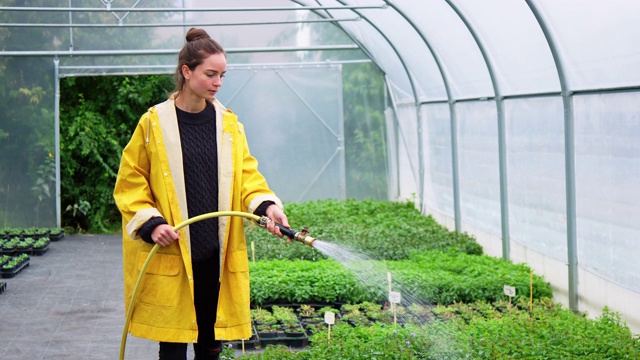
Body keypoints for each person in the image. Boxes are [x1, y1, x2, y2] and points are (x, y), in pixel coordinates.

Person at [113, 27, 290, 360]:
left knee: (210, 344)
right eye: (210, 74)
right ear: (186, 71)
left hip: (215, 253)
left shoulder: (229, 125)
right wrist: (152, 223)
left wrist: (267, 207)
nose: (218, 82)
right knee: (174, 343)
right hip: (175, 252)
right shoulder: (153, 124)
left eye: (222, 75)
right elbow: (130, 181)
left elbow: (247, 177)